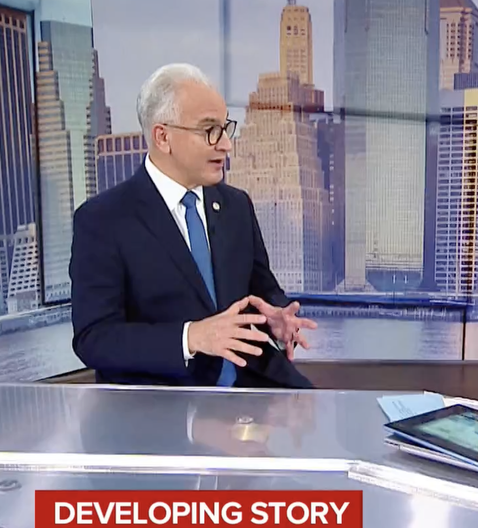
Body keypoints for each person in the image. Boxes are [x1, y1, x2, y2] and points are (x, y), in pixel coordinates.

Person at [71, 63, 315, 389]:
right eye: (209, 130)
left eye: (225, 128)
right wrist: (191, 337)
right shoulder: (103, 220)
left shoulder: (235, 206)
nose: (226, 145)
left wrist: (278, 319)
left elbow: (262, 290)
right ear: (163, 137)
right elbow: (95, 338)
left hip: (255, 388)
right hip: (166, 407)